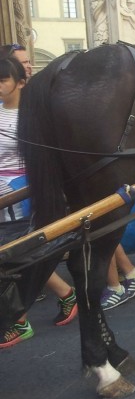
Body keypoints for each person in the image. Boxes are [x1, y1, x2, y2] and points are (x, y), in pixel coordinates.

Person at [0, 56, 78, 348]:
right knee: (17, 256)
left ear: (21, 82)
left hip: (19, 193)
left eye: (3, 80)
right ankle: (65, 294)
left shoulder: (32, 117)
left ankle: (18, 321)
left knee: (13, 257)